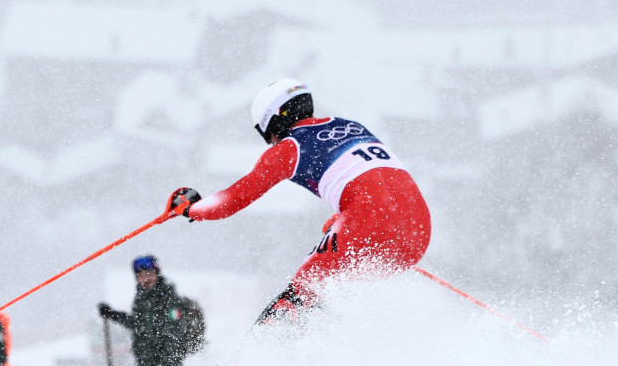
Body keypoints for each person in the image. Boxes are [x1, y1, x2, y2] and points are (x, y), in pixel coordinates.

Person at [166, 79, 431, 324]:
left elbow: (234, 198)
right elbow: (379, 184)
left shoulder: (291, 146)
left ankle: (263, 362)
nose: (270, 143)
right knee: (337, 293)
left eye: (266, 134)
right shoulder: (352, 126)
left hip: (367, 224)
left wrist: (191, 208)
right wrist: (346, 217)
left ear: (275, 121)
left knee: (304, 289)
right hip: (418, 232)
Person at [98, 255, 192, 366]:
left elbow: (175, 334)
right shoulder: (141, 299)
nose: (145, 278)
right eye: (140, 275)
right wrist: (112, 314)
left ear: (157, 274)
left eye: (149, 273)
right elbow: (137, 324)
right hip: (145, 365)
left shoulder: (169, 298)